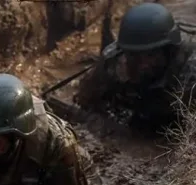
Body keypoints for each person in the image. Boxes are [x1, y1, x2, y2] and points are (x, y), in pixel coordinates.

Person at [75, 2, 196, 134]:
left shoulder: (190, 71)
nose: (142, 64)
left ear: (167, 51)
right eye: (134, 56)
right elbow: (84, 101)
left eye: (150, 55)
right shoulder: (113, 62)